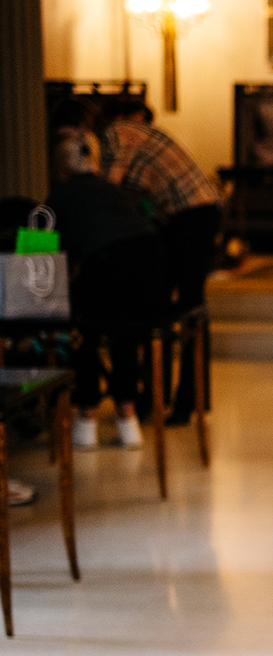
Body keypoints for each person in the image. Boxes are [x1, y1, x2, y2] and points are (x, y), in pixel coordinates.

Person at [97, 96, 223, 425]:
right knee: (170, 305)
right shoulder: (136, 134)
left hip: (190, 216)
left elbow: (111, 189)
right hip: (195, 213)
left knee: (181, 306)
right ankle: (168, 397)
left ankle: (177, 400)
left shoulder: (118, 133)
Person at [46, 126, 163, 450]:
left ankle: (86, 418)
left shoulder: (61, 196)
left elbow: (48, 252)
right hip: (149, 261)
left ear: (60, 168)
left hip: (107, 262)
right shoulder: (114, 190)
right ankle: (128, 419)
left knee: (84, 336)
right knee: (125, 337)